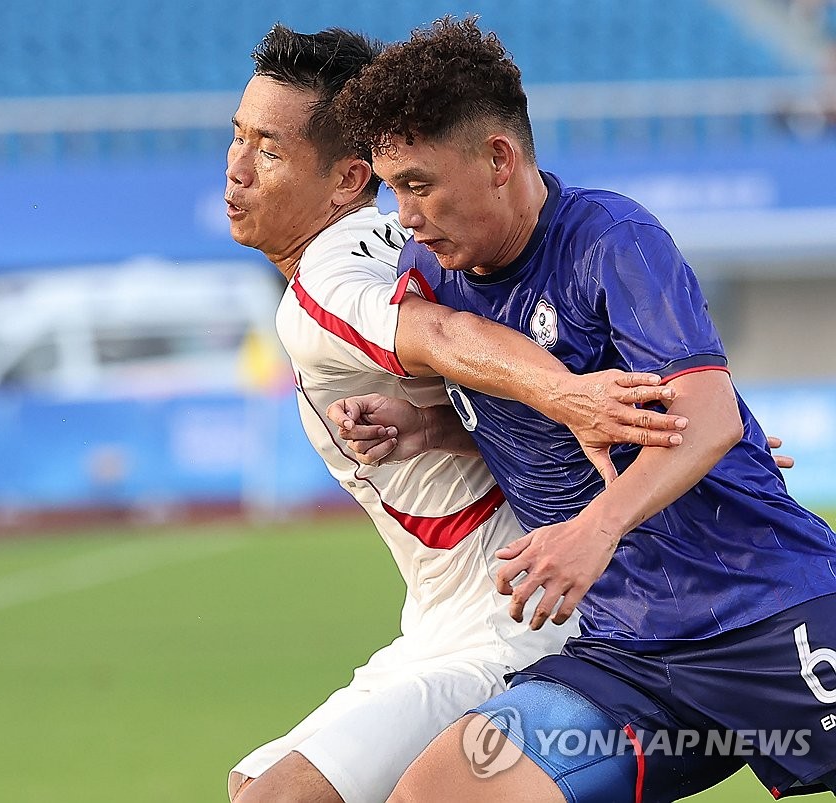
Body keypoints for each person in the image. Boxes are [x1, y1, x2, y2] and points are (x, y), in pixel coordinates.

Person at [330, 16, 836, 801]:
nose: (404, 214)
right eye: (394, 188)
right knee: (435, 793)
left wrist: (594, 528)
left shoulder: (613, 238)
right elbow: (524, 422)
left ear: (499, 158)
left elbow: (710, 419)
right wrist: (428, 425)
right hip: (628, 660)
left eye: (419, 184)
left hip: (770, 615)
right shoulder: (429, 271)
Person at [223, 25, 692, 803]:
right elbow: (529, 331)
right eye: (238, 139)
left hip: (512, 616)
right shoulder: (414, 241)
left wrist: (573, 398)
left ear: (347, 179)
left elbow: (443, 335)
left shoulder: (326, 284)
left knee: (283, 797)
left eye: (269, 151)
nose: (236, 169)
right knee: (253, 782)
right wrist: (661, 421)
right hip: (443, 616)